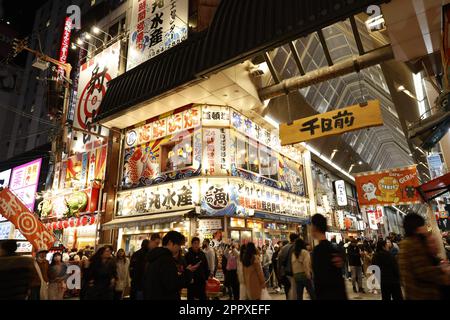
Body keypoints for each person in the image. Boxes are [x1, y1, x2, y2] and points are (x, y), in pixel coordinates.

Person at [398, 213, 450, 300]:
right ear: (417, 227)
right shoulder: (412, 244)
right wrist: (441, 269)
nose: (425, 228)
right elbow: (422, 271)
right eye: (423, 225)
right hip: (421, 294)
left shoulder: (408, 243)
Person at [144, 231, 198, 300]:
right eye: (178, 245)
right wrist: (188, 272)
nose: (179, 248)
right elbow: (172, 284)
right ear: (170, 242)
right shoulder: (166, 260)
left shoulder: (154, 257)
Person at [311, 214, 347, 300]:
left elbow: (320, 280)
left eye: (311, 226)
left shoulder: (318, 251)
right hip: (338, 294)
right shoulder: (333, 248)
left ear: (315, 227)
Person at [130, 234, 161, 300]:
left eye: (158, 244)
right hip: (141, 286)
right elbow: (135, 270)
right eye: (156, 243)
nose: (157, 245)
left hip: (140, 285)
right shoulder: (148, 255)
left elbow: (132, 270)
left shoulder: (140, 254)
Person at [278, 233, 299, 300]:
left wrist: (279, 273)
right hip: (294, 272)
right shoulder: (296, 248)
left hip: (286, 273)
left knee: (288, 291)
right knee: (295, 292)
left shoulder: (283, 248)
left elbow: (279, 262)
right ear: (296, 239)